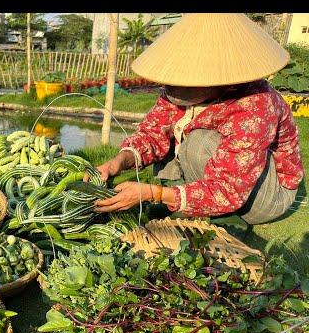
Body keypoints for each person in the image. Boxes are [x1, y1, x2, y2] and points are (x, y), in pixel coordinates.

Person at [86, 13, 304, 225]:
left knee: (198, 143)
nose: (173, 87)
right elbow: (152, 134)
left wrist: (152, 193)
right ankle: (186, 203)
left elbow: (228, 189)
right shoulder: (179, 93)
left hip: (266, 196)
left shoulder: (255, 104)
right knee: (172, 133)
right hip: (225, 179)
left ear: (218, 77)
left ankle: (223, 220)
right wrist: (118, 162)